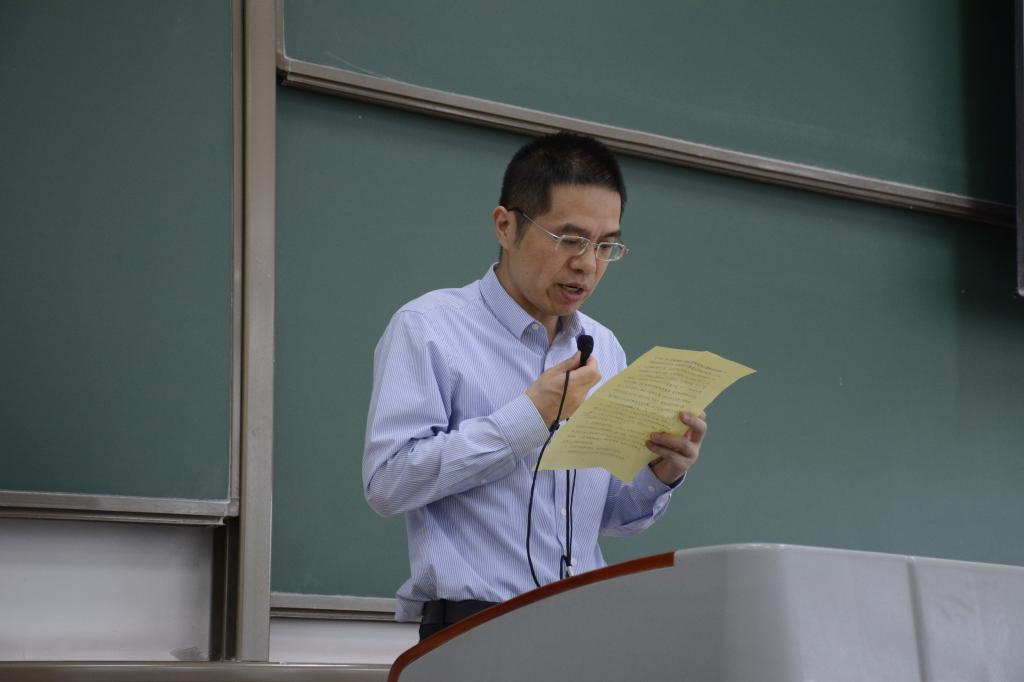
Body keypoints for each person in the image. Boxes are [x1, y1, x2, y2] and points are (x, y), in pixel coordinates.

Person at [363, 132, 708, 641]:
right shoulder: (430, 328)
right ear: (506, 226)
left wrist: (662, 472)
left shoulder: (604, 347)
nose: (587, 264)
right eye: (570, 240)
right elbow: (388, 484)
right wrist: (529, 416)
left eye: (606, 245)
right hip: (474, 634)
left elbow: (608, 516)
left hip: (586, 633)